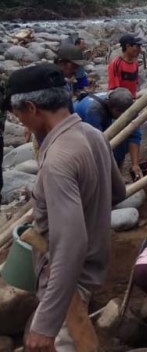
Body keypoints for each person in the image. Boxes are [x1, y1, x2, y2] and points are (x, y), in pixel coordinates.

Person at [5, 64, 125, 351]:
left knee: (60, 342)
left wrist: (47, 323)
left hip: (68, 284)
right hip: (86, 274)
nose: (19, 120)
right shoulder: (92, 134)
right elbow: (117, 192)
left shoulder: (59, 158)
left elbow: (71, 244)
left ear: (32, 108)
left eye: (17, 113)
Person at [75, 87, 144, 180]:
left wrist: (135, 165)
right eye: (119, 112)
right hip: (79, 128)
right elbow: (97, 144)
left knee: (120, 144)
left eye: (125, 112)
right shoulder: (94, 111)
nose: (121, 116)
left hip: (102, 120)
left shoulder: (130, 109)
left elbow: (135, 135)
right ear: (109, 106)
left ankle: (117, 173)